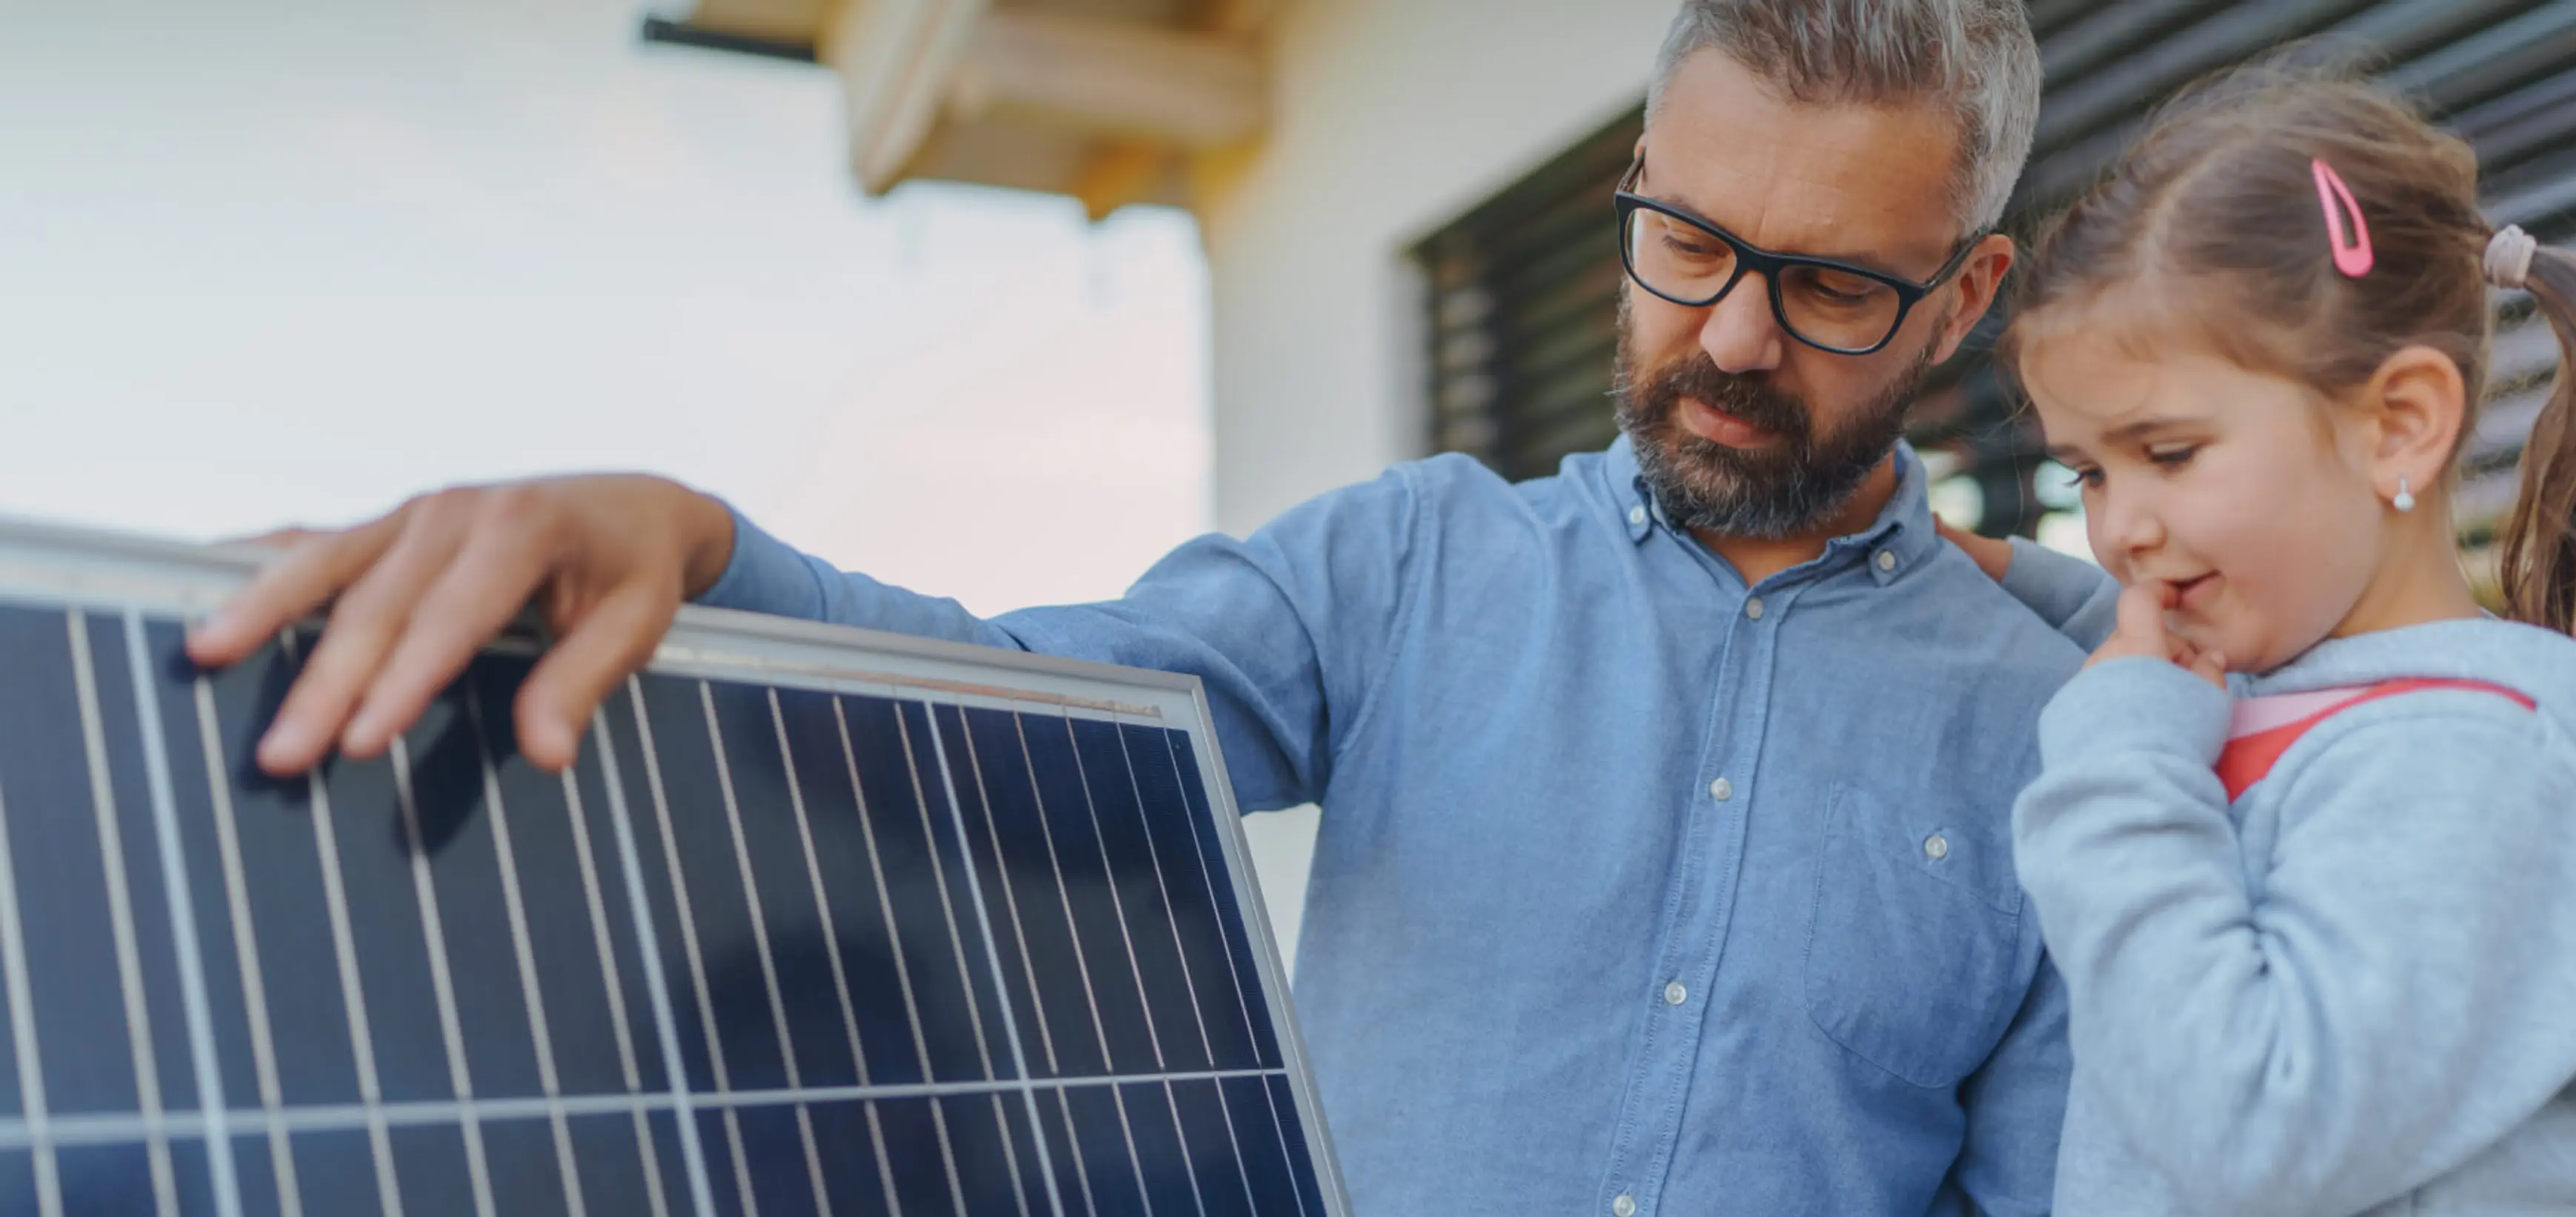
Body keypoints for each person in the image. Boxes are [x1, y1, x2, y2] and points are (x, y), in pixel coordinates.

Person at [187, 1, 2106, 1212]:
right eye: (1685, 244)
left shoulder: (2058, 722)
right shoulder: (1402, 568)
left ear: (1968, 294)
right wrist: (697, 539)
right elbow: (1011, 722)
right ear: (1635, 188)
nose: (1732, 335)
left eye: (1834, 286)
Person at [1991, 67, 2576, 1215]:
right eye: (2090, 473)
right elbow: (2144, 634)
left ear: (2399, 424)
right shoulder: (2325, 678)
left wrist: (2115, 765)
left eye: (2169, 452)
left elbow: (2258, 1129)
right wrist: (1944, 551)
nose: (2119, 531)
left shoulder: (2477, 770)